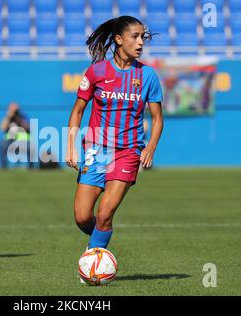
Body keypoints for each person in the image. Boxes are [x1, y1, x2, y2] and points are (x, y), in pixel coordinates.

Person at [65, 16, 164, 278]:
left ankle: (94, 262)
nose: (140, 42)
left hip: (128, 152)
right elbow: (77, 111)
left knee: (105, 211)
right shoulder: (96, 72)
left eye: (143, 37)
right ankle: (100, 238)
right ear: (119, 39)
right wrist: (72, 146)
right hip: (96, 149)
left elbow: (157, 119)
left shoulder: (148, 75)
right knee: (82, 216)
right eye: (135, 36)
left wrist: (150, 147)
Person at [0, 102, 33, 169]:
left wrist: (18, 118)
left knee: (31, 145)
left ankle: (31, 167)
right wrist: (8, 116)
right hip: (10, 142)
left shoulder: (23, 117)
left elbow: (29, 127)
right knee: (2, 144)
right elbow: (2, 128)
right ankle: (3, 167)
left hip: (23, 142)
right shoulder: (7, 118)